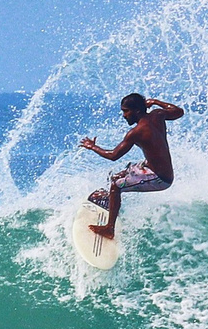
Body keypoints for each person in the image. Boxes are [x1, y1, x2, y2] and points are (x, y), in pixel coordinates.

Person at [79, 92, 184, 240]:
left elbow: (113, 155)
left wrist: (92, 147)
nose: (124, 115)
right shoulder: (158, 115)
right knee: (117, 176)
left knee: (116, 186)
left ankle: (109, 229)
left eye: (126, 111)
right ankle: (111, 201)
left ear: (137, 111)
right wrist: (155, 101)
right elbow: (178, 112)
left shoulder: (137, 132)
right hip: (151, 167)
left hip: (160, 178)